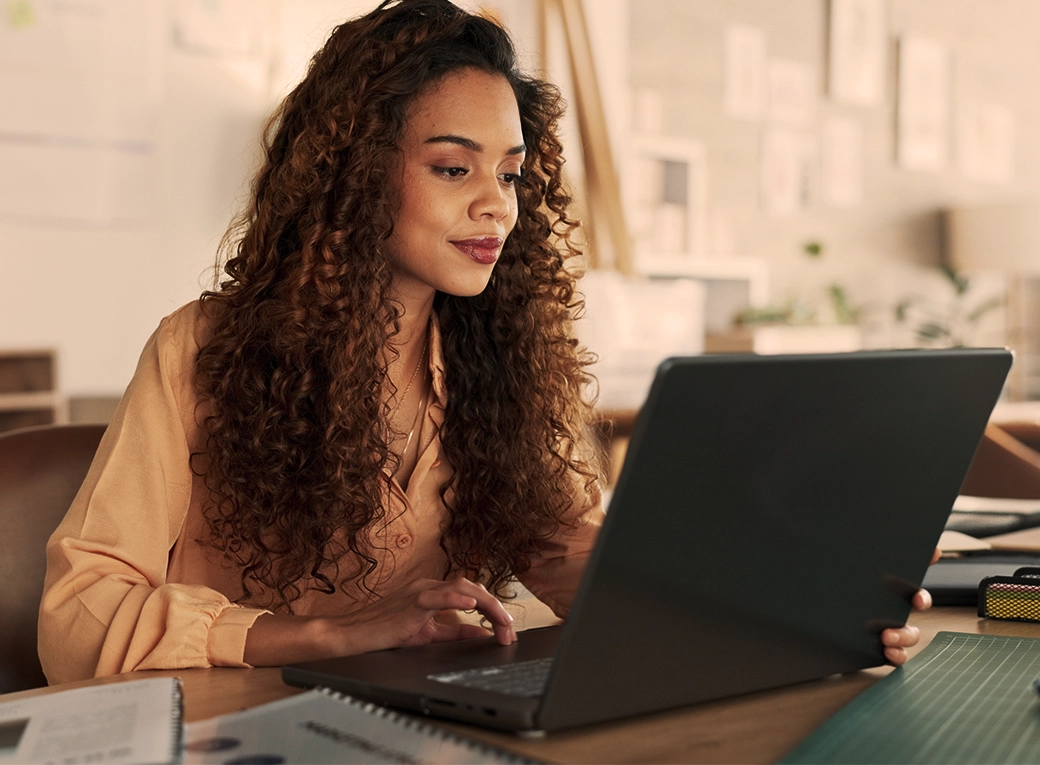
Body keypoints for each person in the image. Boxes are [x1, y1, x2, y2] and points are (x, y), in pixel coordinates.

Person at [38, 0, 927, 685]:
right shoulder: (203, 349)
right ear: (354, 176)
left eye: (510, 173)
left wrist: (783, 608)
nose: (497, 204)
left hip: (429, 723)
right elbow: (78, 615)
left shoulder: (503, 362)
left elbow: (575, 556)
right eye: (452, 167)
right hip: (241, 724)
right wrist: (326, 635)